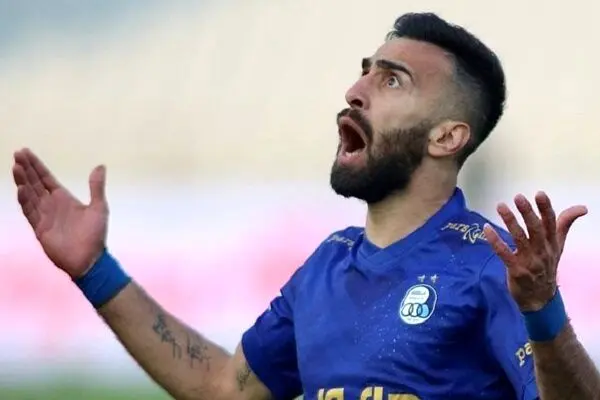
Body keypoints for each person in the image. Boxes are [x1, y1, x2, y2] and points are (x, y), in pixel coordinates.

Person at [11, 12, 600, 400]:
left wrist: (542, 310)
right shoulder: (328, 266)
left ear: (447, 137)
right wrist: (95, 270)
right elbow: (225, 387)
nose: (355, 91)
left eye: (392, 81)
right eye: (364, 73)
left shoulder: (488, 266)